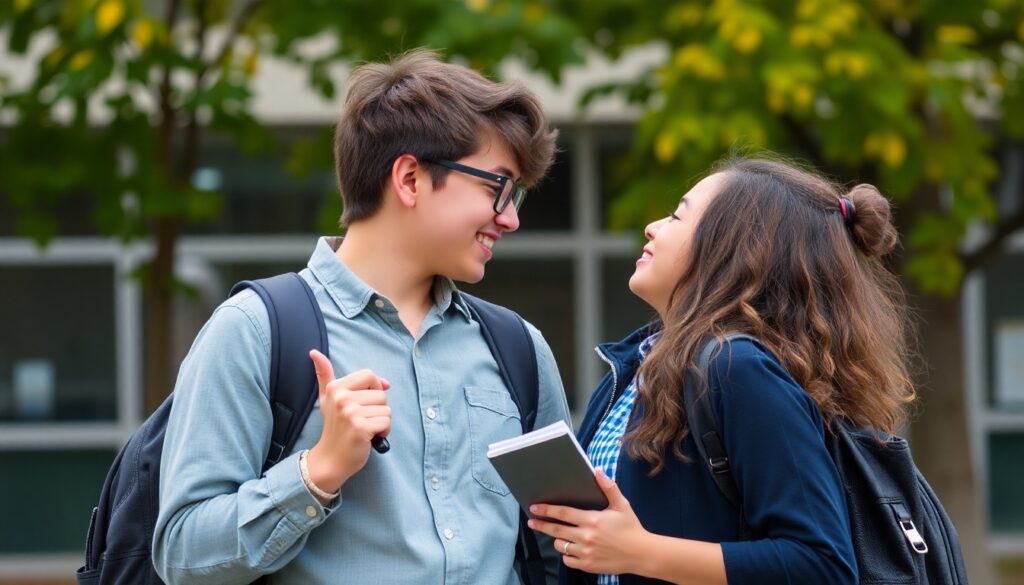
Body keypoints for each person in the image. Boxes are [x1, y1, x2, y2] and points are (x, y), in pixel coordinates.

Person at [153, 49, 570, 585]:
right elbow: (182, 555)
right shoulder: (255, 330)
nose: (510, 219)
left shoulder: (519, 349)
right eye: (498, 188)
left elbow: (557, 551)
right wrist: (317, 471)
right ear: (410, 178)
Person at [528, 156, 917, 585]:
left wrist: (641, 552)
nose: (652, 226)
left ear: (734, 249)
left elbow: (821, 564)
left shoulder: (738, 371)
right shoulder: (632, 368)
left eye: (677, 216)